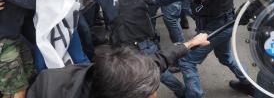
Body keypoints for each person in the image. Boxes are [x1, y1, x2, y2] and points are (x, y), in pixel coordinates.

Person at [84, 0, 186, 97]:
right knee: (158, 71)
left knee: (130, 80)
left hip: (129, 48)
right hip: (149, 43)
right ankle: (182, 92)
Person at [26, 33, 210, 98]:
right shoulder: (46, 88)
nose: (154, 96)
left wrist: (191, 43)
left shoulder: (125, 75)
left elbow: (159, 59)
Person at [0, 0, 36, 98]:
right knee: (18, 89)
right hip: (4, 42)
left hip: (15, 37)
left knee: (25, 78)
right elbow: (29, 2)